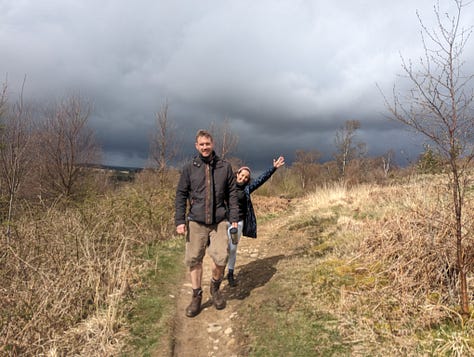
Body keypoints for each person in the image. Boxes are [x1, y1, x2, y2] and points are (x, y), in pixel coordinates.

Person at [175, 129, 239, 318]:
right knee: (194, 259)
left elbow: (232, 195)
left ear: (213, 145)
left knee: (221, 258)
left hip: (219, 220)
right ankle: (196, 296)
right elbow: (181, 195)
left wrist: (234, 219)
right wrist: (180, 220)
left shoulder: (224, 167)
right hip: (196, 221)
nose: (205, 147)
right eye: (201, 144)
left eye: (207, 144)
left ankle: (215, 287)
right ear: (197, 146)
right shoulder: (189, 168)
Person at [226, 156, 285, 287]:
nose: (243, 178)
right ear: (237, 174)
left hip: (238, 223)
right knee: (221, 248)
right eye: (242, 175)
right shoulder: (227, 186)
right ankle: (217, 273)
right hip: (223, 221)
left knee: (232, 249)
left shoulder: (247, 189)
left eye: (246, 177)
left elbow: (261, 180)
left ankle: (230, 273)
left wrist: (274, 168)